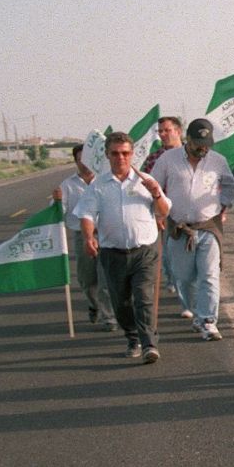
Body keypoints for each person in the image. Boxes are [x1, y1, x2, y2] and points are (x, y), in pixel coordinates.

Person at [74, 131, 171, 363]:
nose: (121, 158)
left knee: (144, 297)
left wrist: (156, 193)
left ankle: (149, 344)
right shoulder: (98, 185)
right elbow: (86, 214)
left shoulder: (145, 181)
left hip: (145, 251)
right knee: (121, 302)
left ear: (132, 154)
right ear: (107, 155)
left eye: (125, 153)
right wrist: (89, 238)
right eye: (116, 154)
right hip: (113, 253)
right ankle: (132, 337)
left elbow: (164, 211)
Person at [151, 118, 234, 341]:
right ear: (187, 139)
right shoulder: (167, 160)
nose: (203, 148)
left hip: (209, 226)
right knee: (184, 276)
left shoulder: (217, 161)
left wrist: (223, 206)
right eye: (198, 143)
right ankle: (196, 312)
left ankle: (208, 321)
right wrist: (158, 212)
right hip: (179, 228)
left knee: (209, 275)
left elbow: (230, 184)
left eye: (206, 144)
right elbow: (154, 187)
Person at [56, 145, 112, 329]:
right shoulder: (67, 185)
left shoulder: (105, 180)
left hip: (106, 235)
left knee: (105, 278)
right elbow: (58, 212)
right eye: (81, 159)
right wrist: (56, 202)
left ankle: (109, 317)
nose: (85, 163)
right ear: (76, 161)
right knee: (87, 279)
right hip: (82, 236)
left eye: (88, 159)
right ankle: (94, 305)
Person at [143, 115, 184, 308]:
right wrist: (157, 213)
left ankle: (189, 293)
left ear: (178, 131)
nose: (163, 134)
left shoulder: (190, 153)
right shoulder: (154, 158)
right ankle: (176, 283)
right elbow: (146, 186)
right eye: (160, 131)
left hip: (188, 212)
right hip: (165, 214)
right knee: (169, 256)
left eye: (167, 130)